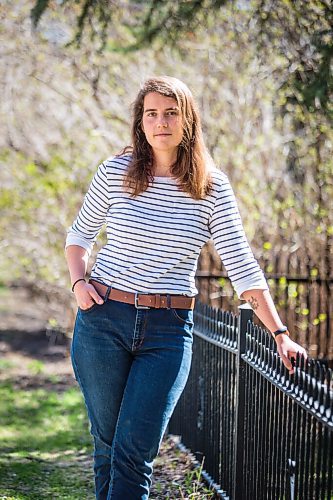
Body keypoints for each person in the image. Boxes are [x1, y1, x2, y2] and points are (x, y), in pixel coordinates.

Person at [65, 76, 307, 499]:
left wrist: (280, 333)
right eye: (152, 114)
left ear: (187, 120)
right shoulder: (115, 172)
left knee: (135, 451)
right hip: (104, 320)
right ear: (140, 123)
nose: (161, 122)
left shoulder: (211, 186)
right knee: (108, 446)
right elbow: (80, 236)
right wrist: (79, 282)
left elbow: (241, 264)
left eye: (171, 113)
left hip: (168, 330)